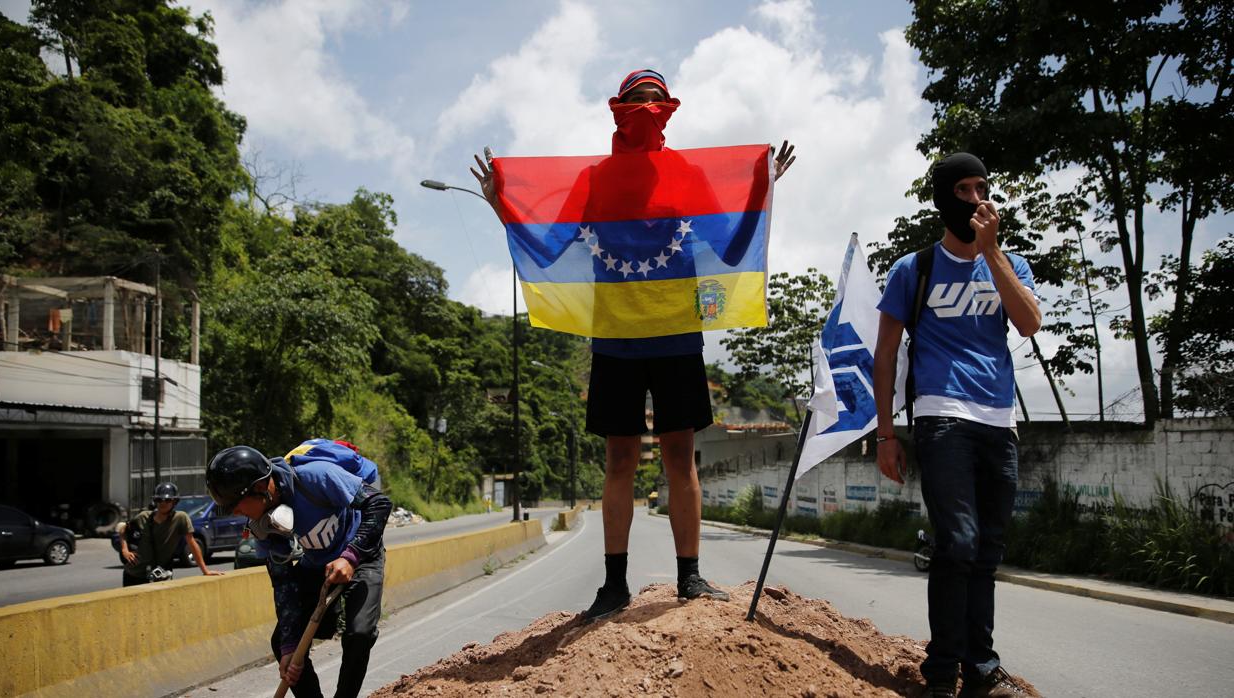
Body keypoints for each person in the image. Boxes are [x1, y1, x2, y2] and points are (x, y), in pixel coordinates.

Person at [471, 69, 796, 621]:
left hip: (676, 336)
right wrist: (500, 202)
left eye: (655, 101)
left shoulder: (688, 174)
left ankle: (689, 578)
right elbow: (547, 248)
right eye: (637, 101)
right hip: (615, 339)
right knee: (618, 459)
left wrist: (764, 187)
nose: (647, 109)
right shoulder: (595, 180)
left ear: (668, 108)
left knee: (678, 458)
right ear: (618, 108)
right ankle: (614, 585)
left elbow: (733, 240)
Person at [872, 152, 1040, 698]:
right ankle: (943, 672)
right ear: (944, 198)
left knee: (987, 548)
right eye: (964, 188)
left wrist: (992, 255)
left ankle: (982, 668)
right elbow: (886, 355)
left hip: (999, 420)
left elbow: (1030, 322)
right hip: (942, 417)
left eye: (983, 187)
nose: (977, 198)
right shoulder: (912, 269)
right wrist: (887, 434)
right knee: (958, 541)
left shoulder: (1007, 263)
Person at [206, 445, 392, 698]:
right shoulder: (263, 525)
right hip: (317, 565)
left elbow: (379, 504)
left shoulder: (316, 477)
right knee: (283, 643)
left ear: (261, 488)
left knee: (359, 634)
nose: (237, 514)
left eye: (236, 507)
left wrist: (351, 556)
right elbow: (283, 583)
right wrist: (290, 647)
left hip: (361, 555)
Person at [119, 481, 222, 586]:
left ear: (174, 502)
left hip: (160, 575)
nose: (163, 503)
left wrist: (205, 570)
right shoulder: (143, 517)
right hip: (133, 574)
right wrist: (125, 550)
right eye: (159, 500)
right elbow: (123, 530)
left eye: (167, 500)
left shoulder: (181, 518)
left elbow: (192, 543)